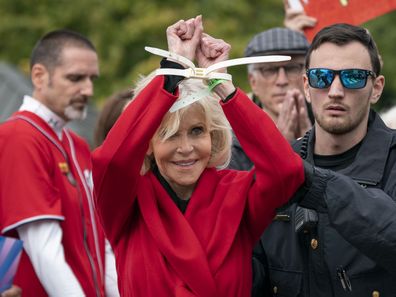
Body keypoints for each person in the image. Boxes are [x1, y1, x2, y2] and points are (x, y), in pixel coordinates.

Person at [92, 15, 305, 297]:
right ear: (147, 143)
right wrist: (172, 71)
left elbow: (286, 171)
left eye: (196, 131)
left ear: (213, 136)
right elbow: (110, 161)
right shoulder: (128, 202)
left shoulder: (237, 193)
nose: (185, 147)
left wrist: (222, 83)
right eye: (168, 135)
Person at [254, 23, 396, 296]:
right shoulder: (277, 169)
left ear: (376, 88)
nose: (335, 91)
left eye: (353, 77)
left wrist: (313, 184)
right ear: (307, 86)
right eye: (322, 77)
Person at [0, 29, 118, 296]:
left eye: (91, 79)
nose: (87, 89)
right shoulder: (19, 137)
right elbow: (43, 247)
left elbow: (101, 244)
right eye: (75, 78)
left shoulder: (76, 144)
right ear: (40, 76)